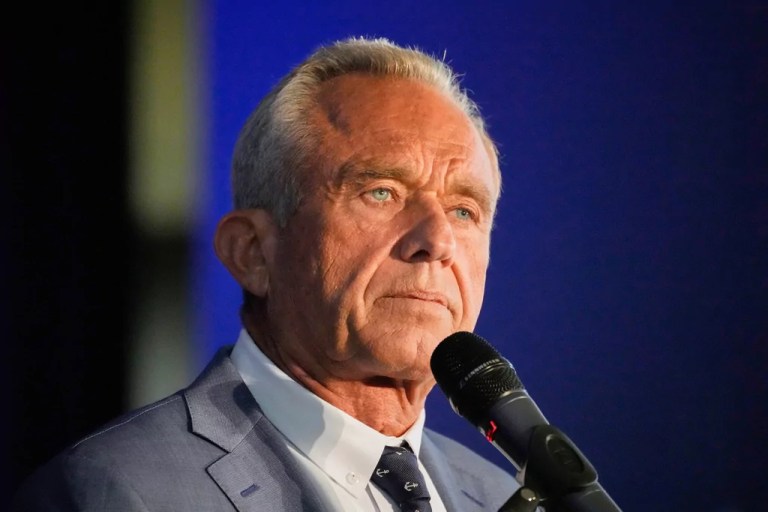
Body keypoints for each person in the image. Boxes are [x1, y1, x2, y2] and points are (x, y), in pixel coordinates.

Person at [12, 36, 518, 511]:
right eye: (381, 192)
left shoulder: (500, 496)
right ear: (252, 252)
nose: (438, 241)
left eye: (464, 211)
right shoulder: (117, 492)